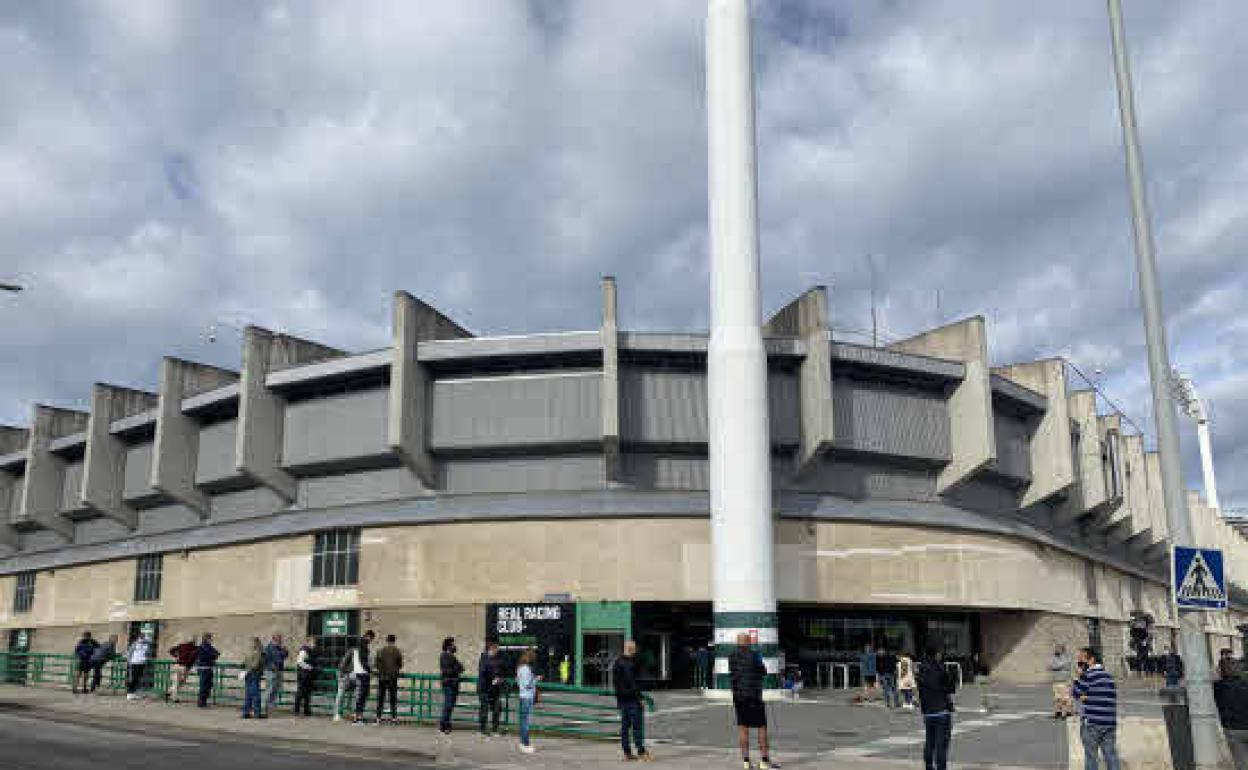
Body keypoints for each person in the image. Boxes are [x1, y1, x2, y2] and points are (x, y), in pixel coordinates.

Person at [729, 633, 775, 770]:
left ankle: (746, 762)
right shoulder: (755, 655)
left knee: (743, 728)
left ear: (737, 643)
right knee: (762, 728)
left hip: (739, 697)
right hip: (754, 696)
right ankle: (764, 761)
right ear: (748, 642)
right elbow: (763, 671)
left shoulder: (731, 657)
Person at [1071, 647, 1120, 770]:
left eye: (1081, 659)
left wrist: (1077, 678)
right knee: (1111, 756)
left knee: (1091, 757)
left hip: (1092, 723)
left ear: (1091, 659)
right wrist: (1087, 697)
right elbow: (1106, 697)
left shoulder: (1088, 675)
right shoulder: (1108, 676)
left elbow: (1076, 693)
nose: (1079, 663)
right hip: (1109, 722)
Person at [917, 644, 956, 770]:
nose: (941, 655)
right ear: (935, 654)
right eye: (939, 653)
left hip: (928, 712)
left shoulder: (921, 669)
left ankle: (929, 766)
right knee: (942, 744)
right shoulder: (940, 668)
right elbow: (950, 688)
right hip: (941, 710)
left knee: (930, 741)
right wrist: (950, 676)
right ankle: (941, 767)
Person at [612, 639, 652, 762]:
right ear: (630, 649)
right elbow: (632, 683)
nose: (635, 650)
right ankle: (641, 752)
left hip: (621, 699)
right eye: (634, 648)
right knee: (637, 727)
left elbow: (615, 682)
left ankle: (627, 753)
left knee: (625, 727)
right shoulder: (630, 664)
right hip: (632, 699)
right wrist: (640, 698)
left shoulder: (617, 662)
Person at [374, 634, 403, 724]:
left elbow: (376, 664)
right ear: (394, 641)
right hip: (392, 677)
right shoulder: (397, 651)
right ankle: (393, 718)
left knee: (380, 698)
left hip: (382, 677)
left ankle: (378, 717)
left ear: (386, 640)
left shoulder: (380, 651)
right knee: (392, 698)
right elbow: (400, 664)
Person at [516, 648, 541, 754]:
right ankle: (525, 744)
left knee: (523, 721)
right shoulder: (526, 669)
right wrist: (536, 679)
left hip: (522, 696)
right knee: (526, 722)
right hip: (527, 697)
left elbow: (518, 681)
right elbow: (527, 684)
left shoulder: (520, 668)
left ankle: (523, 743)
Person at [478, 641, 504, 737]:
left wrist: (499, 678)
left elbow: (500, 670)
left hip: (495, 689)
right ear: (491, 649)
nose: (498, 651)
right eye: (496, 649)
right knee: (484, 709)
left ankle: (495, 729)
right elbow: (484, 672)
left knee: (497, 708)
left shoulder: (497, 659)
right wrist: (493, 679)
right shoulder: (484, 659)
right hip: (485, 689)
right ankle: (483, 729)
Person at [439, 636, 465, 734]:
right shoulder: (444, 656)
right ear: (448, 645)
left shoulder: (451, 656)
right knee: (448, 705)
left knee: (450, 705)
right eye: (453, 644)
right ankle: (444, 725)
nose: (455, 646)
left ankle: (445, 723)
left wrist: (456, 669)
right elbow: (448, 671)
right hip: (448, 683)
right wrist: (456, 669)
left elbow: (461, 668)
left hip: (453, 683)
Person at [350, 630, 376, 725]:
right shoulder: (363, 646)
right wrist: (369, 671)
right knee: (362, 696)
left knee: (360, 696)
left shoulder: (358, 645)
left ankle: (357, 717)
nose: (371, 641)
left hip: (359, 672)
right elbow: (363, 660)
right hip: (363, 673)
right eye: (371, 638)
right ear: (368, 636)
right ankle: (357, 719)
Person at [261, 634, 288, 717]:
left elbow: (283, 656)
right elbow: (265, 660)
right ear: (273, 640)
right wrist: (270, 666)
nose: (279, 642)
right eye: (278, 640)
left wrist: (285, 651)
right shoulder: (268, 648)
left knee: (276, 689)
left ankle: (270, 708)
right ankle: (263, 708)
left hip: (279, 670)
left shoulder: (279, 648)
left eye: (280, 640)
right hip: (271, 671)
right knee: (269, 689)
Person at [167, 636, 199, 703]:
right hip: (185, 667)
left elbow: (171, 650)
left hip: (178, 665)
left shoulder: (182, 646)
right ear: (194, 641)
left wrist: (176, 656)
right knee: (180, 682)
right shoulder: (195, 648)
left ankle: (170, 692)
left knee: (177, 682)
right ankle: (174, 697)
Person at [241, 637, 265, 719]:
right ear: (258, 644)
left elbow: (243, 663)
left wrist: (246, 669)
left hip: (247, 675)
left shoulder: (248, 652)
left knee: (248, 695)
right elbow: (255, 665)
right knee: (256, 695)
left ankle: (246, 712)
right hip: (254, 674)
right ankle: (257, 713)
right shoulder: (258, 653)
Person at [195, 633, 220, 708]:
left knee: (208, 685)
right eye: (210, 638)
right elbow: (211, 655)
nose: (211, 640)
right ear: (206, 639)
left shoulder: (208, 646)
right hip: (204, 668)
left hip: (208, 668)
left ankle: (203, 701)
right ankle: (201, 702)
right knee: (204, 686)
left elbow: (216, 653)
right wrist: (212, 656)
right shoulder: (203, 647)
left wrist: (213, 656)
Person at [125, 633, 152, 701]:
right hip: (134, 662)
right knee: (134, 678)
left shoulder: (146, 645)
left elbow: (148, 653)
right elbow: (129, 653)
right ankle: (130, 693)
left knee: (137, 678)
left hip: (141, 663)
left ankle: (134, 693)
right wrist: (129, 662)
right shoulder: (135, 644)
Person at [1048, 646, 1074, 719]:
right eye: (1056, 649)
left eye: (1058, 649)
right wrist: (1056, 666)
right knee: (1057, 698)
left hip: (1065, 681)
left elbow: (1063, 665)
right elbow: (1049, 666)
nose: (1056, 650)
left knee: (1065, 698)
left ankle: (1066, 712)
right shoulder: (1053, 658)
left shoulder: (1066, 658)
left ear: (1062, 650)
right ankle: (1058, 712)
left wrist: (1055, 666)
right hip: (1056, 681)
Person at [294, 636, 316, 717]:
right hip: (303, 675)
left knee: (307, 693)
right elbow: (299, 662)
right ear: (308, 642)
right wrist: (309, 667)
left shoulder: (309, 650)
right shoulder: (304, 650)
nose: (314, 644)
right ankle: (297, 710)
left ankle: (306, 710)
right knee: (300, 693)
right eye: (313, 642)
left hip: (307, 675)